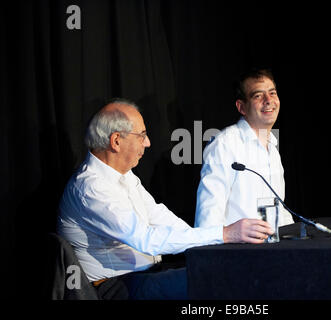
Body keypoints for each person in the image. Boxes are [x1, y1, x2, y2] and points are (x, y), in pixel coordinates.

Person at [57, 98, 273, 300]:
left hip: (144, 275)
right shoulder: (91, 188)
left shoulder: (123, 175)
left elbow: (159, 216)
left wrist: (210, 246)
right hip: (116, 286)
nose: (148, 143)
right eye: (141, 135)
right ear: (116, 141)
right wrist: (224, 234)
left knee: (220, 269)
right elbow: (146, 240)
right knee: (214, 280)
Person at [195, 69, 294, 228]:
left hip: (275, 249)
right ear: (241, 107)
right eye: (258, 95)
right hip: (239, 251)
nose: (268, 100)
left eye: (272, 93)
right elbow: (208, 217)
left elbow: (280, 211)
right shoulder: (224, 145)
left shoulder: (272, 148)